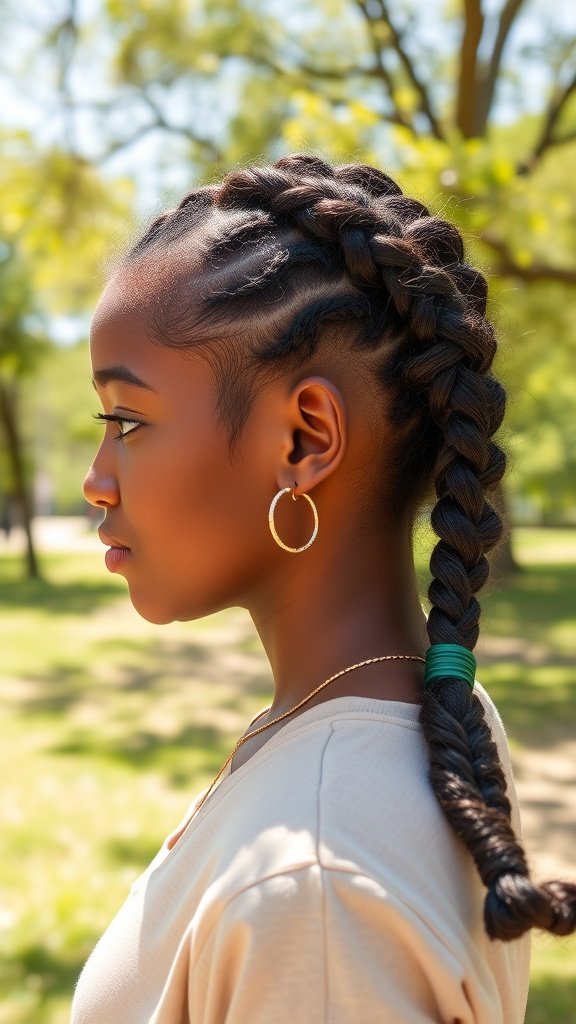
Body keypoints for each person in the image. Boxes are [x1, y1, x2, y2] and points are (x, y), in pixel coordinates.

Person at [73, 154, 575, 1024]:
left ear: (304, 439)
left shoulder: (313, 886)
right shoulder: (423, 716)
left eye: (127, 421)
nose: (95, 480)